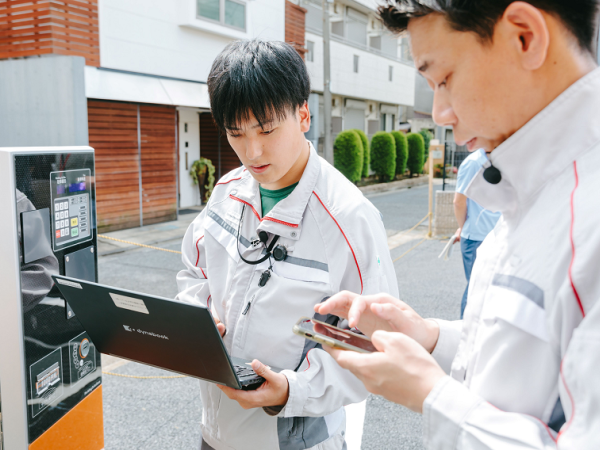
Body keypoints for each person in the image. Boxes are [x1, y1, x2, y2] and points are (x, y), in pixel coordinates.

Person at [316, 0, 600, 448]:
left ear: (524, 36)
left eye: (443, 79)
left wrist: (433, 394)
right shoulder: (531, 187)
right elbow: (530, 359)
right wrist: (430, 339)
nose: (441, 112)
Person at [175, 40, 398, 450]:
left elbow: (375, 346)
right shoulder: (227, 191)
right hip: (217, 430)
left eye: (266, 129)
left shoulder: (349, 218)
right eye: (235, 133)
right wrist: (199, 316)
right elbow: (195, 271)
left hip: (294, 439)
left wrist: (293, 390)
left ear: (303, 114)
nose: (252, 151)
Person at [453, 148, 501, 318]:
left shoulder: (499, 158)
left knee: (490, 287)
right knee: (476, 287)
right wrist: (464, 226)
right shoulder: (474, 162)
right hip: (477, 237)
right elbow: (459, 201)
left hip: (497, 235)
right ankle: (464, 330)